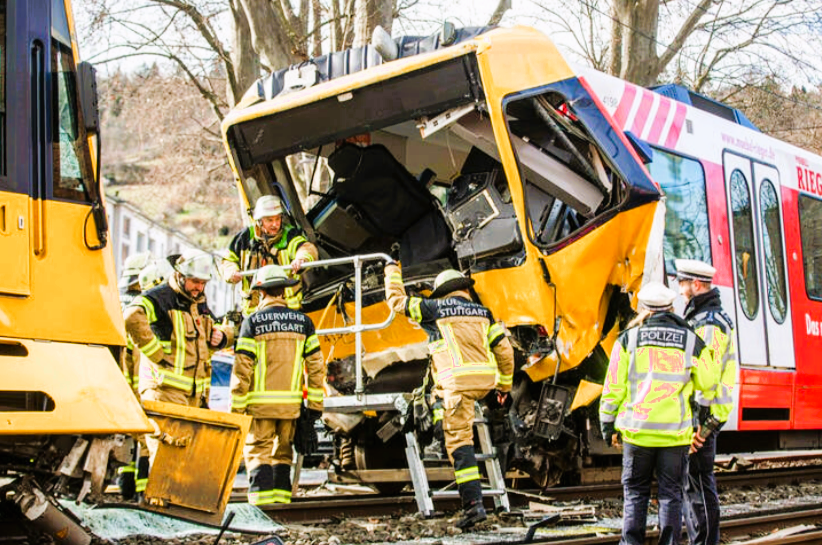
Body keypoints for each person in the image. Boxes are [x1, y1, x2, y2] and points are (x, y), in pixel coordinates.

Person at [384, 264, 514, 529]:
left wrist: (391, 271)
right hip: (483, 383)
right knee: (440, 403)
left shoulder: (434, 309)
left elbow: (397, 302)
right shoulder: (483, 313)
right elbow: (505, 351)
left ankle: (474, 506)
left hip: (457, 385)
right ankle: (439, 425)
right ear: (465, 289)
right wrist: (503, 388)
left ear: (442, 292)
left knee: (460, 444)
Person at [599, 282, 718, 545]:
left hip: (637, 434)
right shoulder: (690, 340)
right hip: (674, 437)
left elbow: (613, 388)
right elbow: (709, 382)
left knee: (635, 495)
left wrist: (608, 426)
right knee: (671, 495)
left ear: (643, 309)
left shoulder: (628, 340)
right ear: (670, 307)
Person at [124, 249, 232, 463]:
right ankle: (160, 498)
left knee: (184, 460)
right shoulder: (159, 297)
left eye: (203, 283)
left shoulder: (198, 302)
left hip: (192, 395)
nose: (199, 288)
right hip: (165, 392)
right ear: (180, 276)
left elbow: (214, 330)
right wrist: (154, 352)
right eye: (194, 282)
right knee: (167, 457)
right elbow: (130, 317)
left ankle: (169, 498)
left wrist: (223, 336)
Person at [230, 264, 325, 506]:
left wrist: (237, 409)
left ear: (261, 293)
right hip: (291, 407)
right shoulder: (304, 323)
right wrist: (314, 406)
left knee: (258, 452)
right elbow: (315, 367)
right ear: (284, 291)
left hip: (259, 406)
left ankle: (262, 510)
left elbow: (242, 369)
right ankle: (282, 506)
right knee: (283, 454)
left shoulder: (252, 323)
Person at [676, 259, 737, 545]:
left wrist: (700, 426)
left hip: (704, 416)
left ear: (696, 285)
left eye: (682, 283)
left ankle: (704, 542)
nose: (680, 289)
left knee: (699, 486)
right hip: (704, 415)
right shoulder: (703, 319)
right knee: (695, 485)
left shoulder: (709, 324)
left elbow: (708, 380)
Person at [220, 195, 318, 314]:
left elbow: (306, 248)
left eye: (278, 219)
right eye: (269, 220)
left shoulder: (290, 235)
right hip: (253, 312)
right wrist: (231, 272)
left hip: (288, 310)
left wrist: (302, 259)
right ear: (259, 221)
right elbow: (228, 261)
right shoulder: (244, 238)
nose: (275, 224)